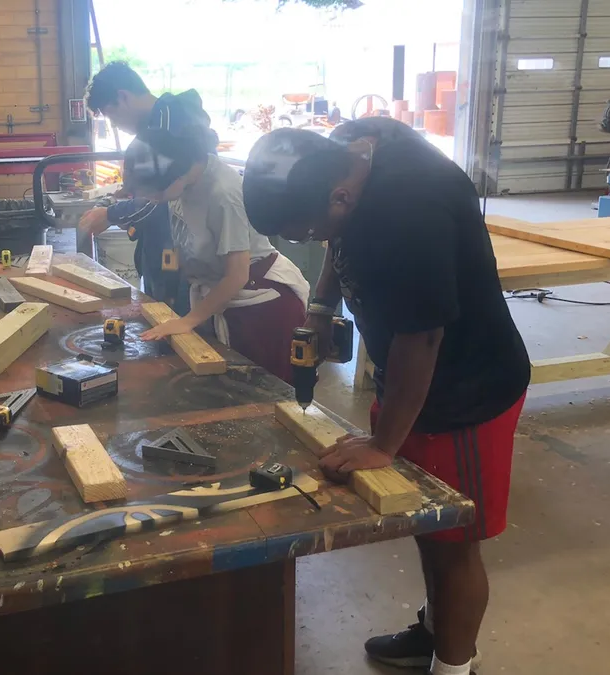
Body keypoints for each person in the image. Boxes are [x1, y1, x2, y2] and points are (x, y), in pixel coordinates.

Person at [241, 118, 532, 675]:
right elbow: (336, 240)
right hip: (411, 379)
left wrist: (382, 444)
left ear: (341, 196)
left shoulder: (411, 212)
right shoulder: (354, 146)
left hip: (464, 390)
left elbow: (422, 338)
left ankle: (454, 667)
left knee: (455, 541)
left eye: (304, 231)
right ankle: (433, 631)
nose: (308, 242)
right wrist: (322, 305)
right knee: (430, 530)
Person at [125, 128, 309, 384]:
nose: (152, 199)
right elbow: (177, 243)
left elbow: (237, 274)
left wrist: (188, 320)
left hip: (261, 303)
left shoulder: (222, 192)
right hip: (218, 296)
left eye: (155, 192)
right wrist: (168, 291)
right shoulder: (182, 183)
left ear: (176, 173)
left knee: (262, 394)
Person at [79, 61, 219, 313]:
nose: (116, 125)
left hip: (178, 251)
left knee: (171, 316)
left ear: (123, 97)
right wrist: (124, 198)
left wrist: (111, 214)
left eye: (112, 116)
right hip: (163, 245)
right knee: (158, 312)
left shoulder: (170, 126)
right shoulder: (157, 128)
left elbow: (162, 196)